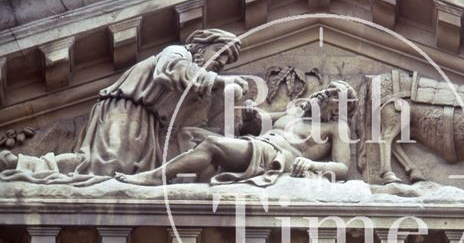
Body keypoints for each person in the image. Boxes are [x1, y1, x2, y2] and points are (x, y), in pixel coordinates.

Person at [73, 28, 248, 176]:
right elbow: (169, 69)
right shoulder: (178, 53)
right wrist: (218, 80)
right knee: (110, 168)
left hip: (149, 124)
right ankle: (48, 167)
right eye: (221, 51)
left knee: (130, 172)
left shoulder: (195, 87)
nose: (222, 61)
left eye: (228, 60)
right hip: (125, 109)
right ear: (201, 46)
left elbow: (193, 126)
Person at [115, 81, 357, 186]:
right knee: (190, 134)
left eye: (335, 95)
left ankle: (155, 177)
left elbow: (343, 168)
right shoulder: (294, 112)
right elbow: (260, 122)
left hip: (275, 157)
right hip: (257, 144)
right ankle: (201, 184)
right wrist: (252, 116)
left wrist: (311, 165)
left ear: (339, 110)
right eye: (329, 89)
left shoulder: (335, 129)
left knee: (210, 144)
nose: (326, 93)